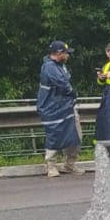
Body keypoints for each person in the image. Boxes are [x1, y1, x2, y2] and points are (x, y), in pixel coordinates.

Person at [36, 40, 81, 176]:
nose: (68, 56)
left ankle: (69, 164)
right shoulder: (49, 67)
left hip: (66, 106)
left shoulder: (60, 65)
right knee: (54, 136)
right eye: (66, 53)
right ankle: (51, 166)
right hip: (52, 107)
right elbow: (62, 83)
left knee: (75, 135)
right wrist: (71, 90)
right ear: (59, 53)